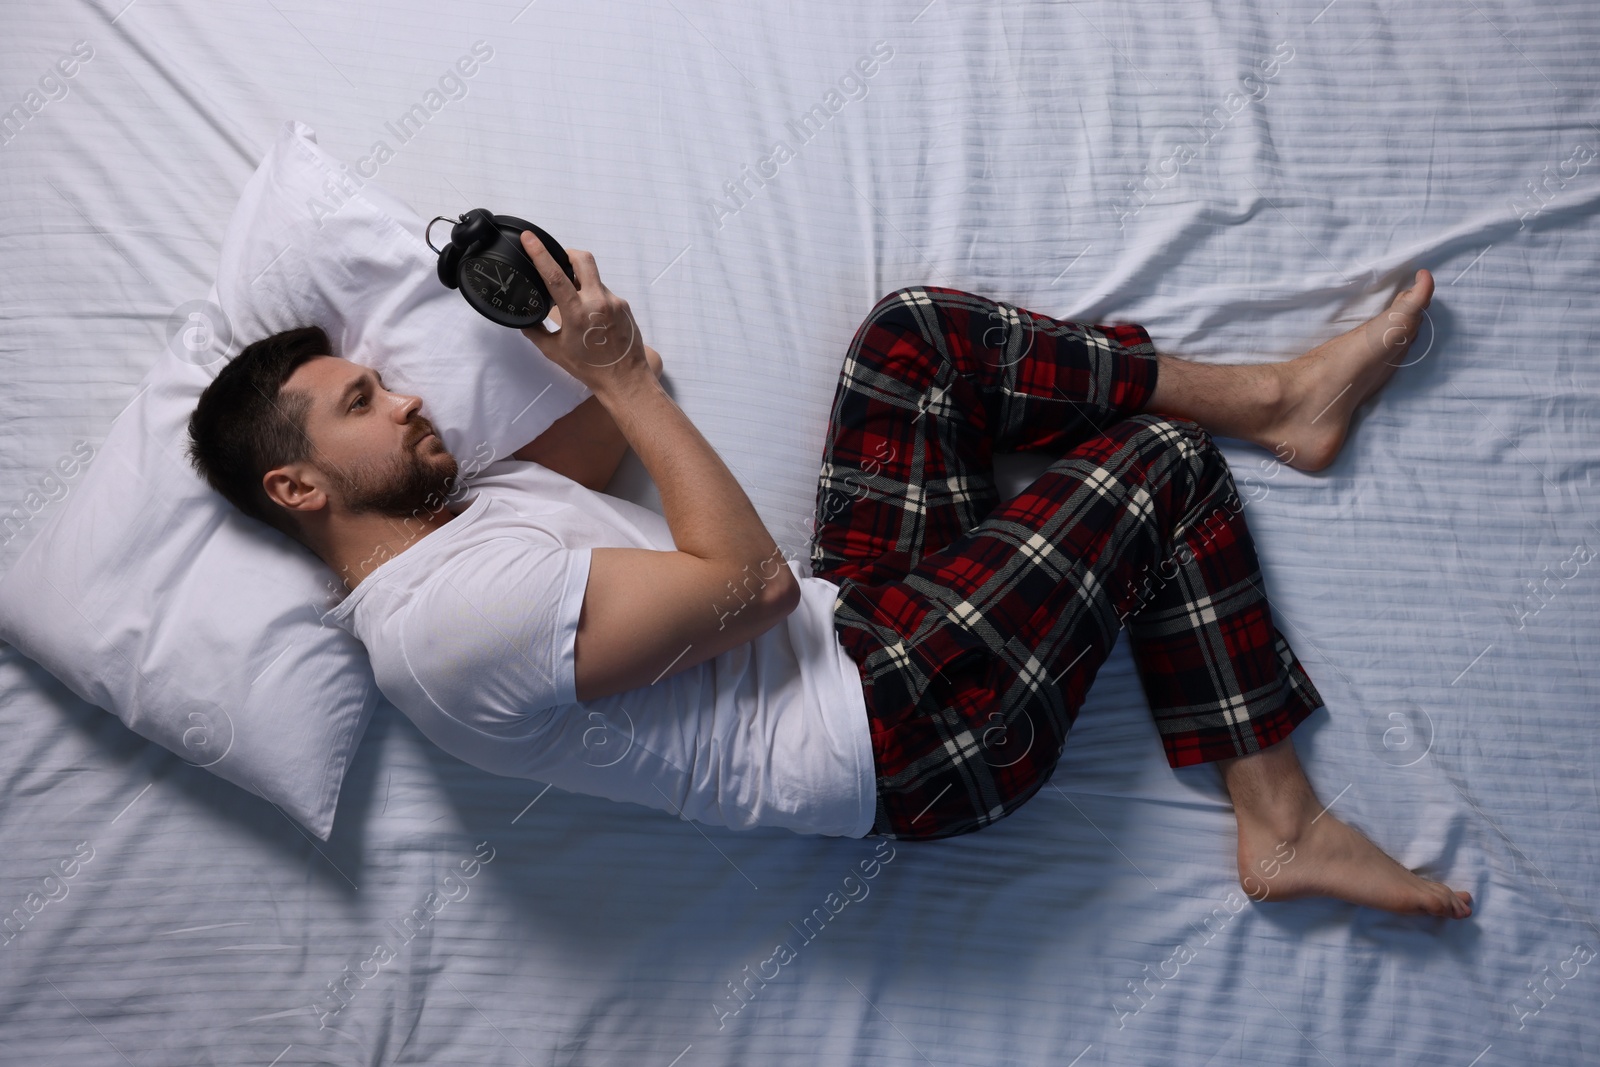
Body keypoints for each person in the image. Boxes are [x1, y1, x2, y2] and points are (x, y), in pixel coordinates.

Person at [185, 232, 1470, 920]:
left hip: (856, 627)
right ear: (300, 487)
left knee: (913, 339)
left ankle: (1276, 400)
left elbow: (608, 422)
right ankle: (1283, 819)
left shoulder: (463, 507)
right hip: (899, 730)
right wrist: (622, 374)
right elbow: (739, 583)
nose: (407, 396)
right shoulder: (442, 628)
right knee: (1158, 472)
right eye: (365, 400)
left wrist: (560, 322)